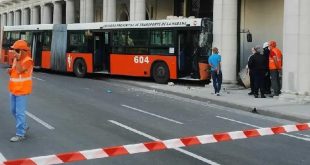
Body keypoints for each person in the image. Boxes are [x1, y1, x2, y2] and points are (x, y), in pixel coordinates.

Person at [7, 40, 33, 142]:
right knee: (13, 111)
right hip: (13, 89)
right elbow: (15, 72)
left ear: (23, 51)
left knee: (20, 113)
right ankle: (24, 126)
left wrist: (17, 59)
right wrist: (10, 71)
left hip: (22, 90)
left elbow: (20, 70)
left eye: (16, 50)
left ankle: (20, 134)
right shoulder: (16, 59)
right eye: (14, 49)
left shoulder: (28, 60)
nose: (14, 52)